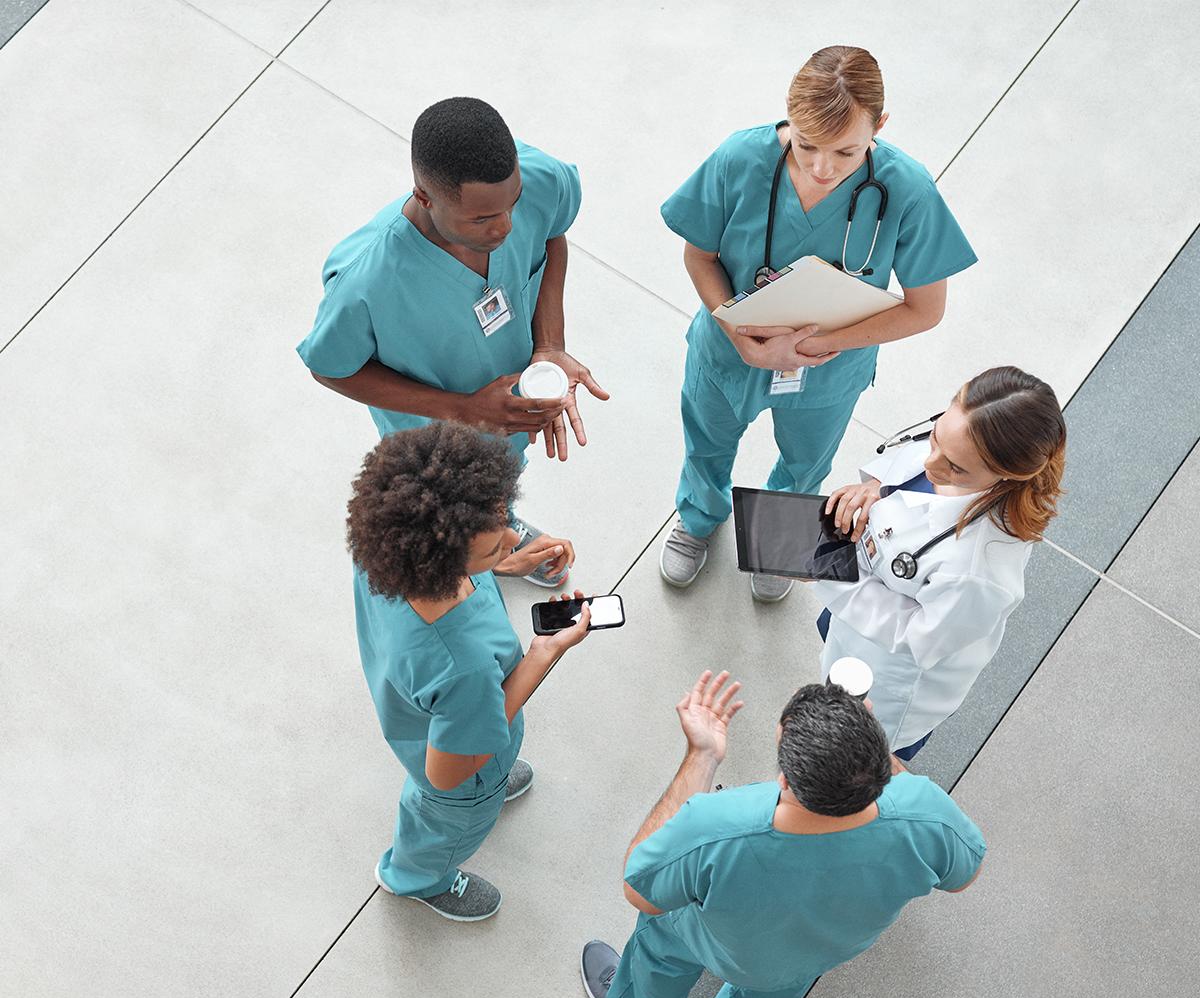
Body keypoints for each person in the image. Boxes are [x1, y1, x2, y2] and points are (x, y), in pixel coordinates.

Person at [658, 46, 976, 602]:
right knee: (706, 442)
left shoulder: (907, 189)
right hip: (729, 351)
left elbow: (925, 308)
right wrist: (739, 336)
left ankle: (780, 539)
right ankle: (699, 514)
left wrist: (822, 342)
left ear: (880, 125)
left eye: (847, 151)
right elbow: (699, 256)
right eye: (806, 145)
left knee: (807, 463)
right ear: (789, 117)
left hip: (829, 368)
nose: (822, 168)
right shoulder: (741, 159)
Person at [581, 673, 985, 998]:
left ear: (787, 782)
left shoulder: (717, 826)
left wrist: (701, 755)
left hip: (716, 941)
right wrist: (863, 754)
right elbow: (964, 876)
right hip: (814, 952)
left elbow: (640, 887)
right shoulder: (928, 813)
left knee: (661, 941)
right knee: (781, 983)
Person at [300, 96, 609, 587]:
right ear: (425, 197)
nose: (506, 227)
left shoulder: (540, 178)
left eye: (512, 204)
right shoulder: (365, 282)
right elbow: (330, 366)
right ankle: (477, 552)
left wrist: (550, 344)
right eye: (482, 220)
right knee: (449, 513)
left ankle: (497, 531)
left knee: (500, 478)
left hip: (509, 417)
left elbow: (553, 233)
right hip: (435, 437)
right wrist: (463, 410)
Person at [347, 422, 590, 921]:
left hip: (423, 718)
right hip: (464, 779)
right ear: (441, 561)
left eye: (503, 518)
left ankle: (489, 789)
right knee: (444, 824)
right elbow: (448, 772)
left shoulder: (384, 560)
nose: (510, 538)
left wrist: (500, 564)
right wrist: (544, 654)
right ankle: (418, 877)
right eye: (489, 548)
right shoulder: (465, 668)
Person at [814, 365, 1066, 759]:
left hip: (890, 679)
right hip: (855, 615)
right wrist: (872, 490)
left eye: (955, 468)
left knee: (854, 756)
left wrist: (828, 571)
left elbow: (918, 638)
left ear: (1007, 475)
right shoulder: (957, 441)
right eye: (934, 439)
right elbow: (904, 478)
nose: (932, 466)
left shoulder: (981, 570)